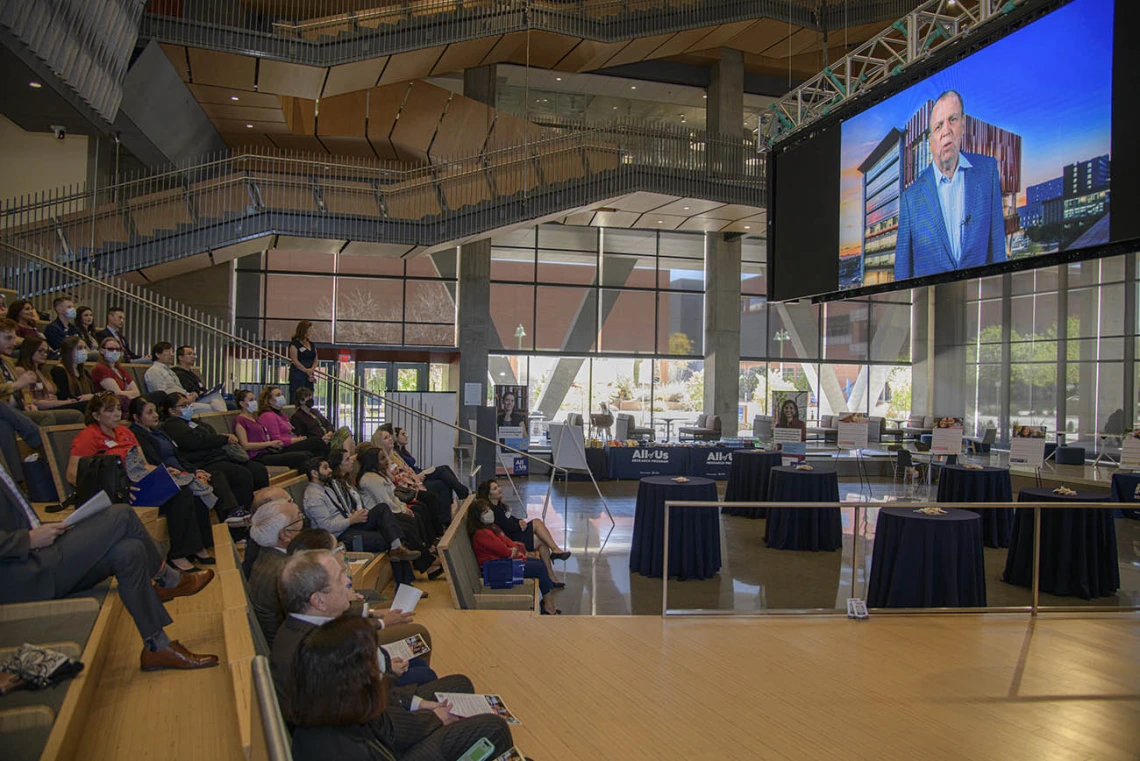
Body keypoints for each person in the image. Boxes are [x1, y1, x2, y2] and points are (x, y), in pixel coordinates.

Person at [0, 459, 219, 671]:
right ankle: (168, 578)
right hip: (24, 574)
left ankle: (156, 646)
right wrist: (28, 539)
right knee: (122, 515)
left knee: (128, 550)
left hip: (38, 555)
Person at [272, 551, 472, 732]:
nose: (347, 582)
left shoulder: (302, 628)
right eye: (339, 579)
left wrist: (418, 703)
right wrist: (433, 718)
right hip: (377, 738)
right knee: (487, 726)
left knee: (460, 685)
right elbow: (376, 722)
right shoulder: (321, 650)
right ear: (318, 600)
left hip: (381, 712)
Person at [288, 615, 514, 761]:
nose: (379, 671)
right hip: (398, 751)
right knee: (494, 727)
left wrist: (425, 709)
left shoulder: (330, 700)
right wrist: (435, 719)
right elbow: (389, 729)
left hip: (390, 740)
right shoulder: (345, 742)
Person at [67, 393, 212, 573]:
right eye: (110, 411)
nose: (116, 414)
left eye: (118, 409)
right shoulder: (88, 436)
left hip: (139, 483)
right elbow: (73, 476)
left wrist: (163, 472)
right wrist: (116, 489)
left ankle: (193, 548)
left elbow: (144, 465)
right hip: (117, 492)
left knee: (187, 487)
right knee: (178, 497)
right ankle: (178, 555)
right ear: (96, 415)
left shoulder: (125, 432)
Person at [894, 90, 1006, 281]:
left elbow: (998, 253)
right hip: (930, 307)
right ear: (930, 141)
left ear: (963, 125)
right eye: (938, 126)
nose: (946, 130)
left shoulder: (987, 172)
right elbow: (902, 273)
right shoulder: (910, 198)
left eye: (952, 120)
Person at [129, 396, 240, 550]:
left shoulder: (158, 432)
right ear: (136, 417)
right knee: (192, 490)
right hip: (166, 475)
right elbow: (156, 462)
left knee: (210, 478)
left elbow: (178, 456)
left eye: (155, 411)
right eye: (149, 412)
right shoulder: (139, 435)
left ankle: (212, 538)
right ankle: (194, 547)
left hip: (181, 470)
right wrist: (186, 473)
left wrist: (194, 470)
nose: (155, 415)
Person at [301, 455, 421, 582]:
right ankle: (404, 582)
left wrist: (352, 516)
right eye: (325, 468)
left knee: (382, 509)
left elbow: (339, 511)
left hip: (348, 525)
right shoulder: (313, 497)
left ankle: (397, 549)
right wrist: (351, 520)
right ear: (314, 473)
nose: (330, 470)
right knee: (390, 537)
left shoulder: (325, 489)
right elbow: (326, 527)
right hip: (339, 536)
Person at [160, 391, 265, 518]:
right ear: (171, 410)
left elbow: (210, 434)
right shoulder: (173, 425)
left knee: (258, 469)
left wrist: (219, 438)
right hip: (202, 462)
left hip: (215, 456)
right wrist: (222, 439)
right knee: (241, 474)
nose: (189, 407)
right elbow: (196, 442)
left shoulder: (193, 422)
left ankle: (260, 508)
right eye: (183, 405)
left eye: (188, 404)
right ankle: (238, 513)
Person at [356, 446, 443, 580]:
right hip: (379, 517)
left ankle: (427, 560)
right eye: (382, 458)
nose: (387, 461)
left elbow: (393, 497)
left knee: (414, 517)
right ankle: (428, 562)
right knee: (406, 528)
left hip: (389, 512)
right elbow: (384, 502)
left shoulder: (379, 475)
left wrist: (404, 508)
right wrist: (403, 510)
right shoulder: (370, 479)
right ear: (373, 461)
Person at [468, 499, 560, 615]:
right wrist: (511, 550)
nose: (489, 513)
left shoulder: (491, 527)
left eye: (488, 510)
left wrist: (513, 549)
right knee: (539, 568)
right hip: (496, 570)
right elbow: (505, 551)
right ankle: (549, 605)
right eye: (485, 512)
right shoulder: (482, 534)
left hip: (502, 564)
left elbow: (507, 541)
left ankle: (547, 603)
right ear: (478, 517)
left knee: (538, 564)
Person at [477, 478, 569, 586]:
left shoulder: (499, 506)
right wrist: (520, 525)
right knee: (537, 523)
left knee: (541, 541)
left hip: (514, 533)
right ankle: (555, 551)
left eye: (498, 487)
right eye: (495, 488)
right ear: (488, 494)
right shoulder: (494, 511)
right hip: (512, 538)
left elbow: (511, 518)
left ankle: (551, 575)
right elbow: (509, 527)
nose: (499, 489)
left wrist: (520, 521)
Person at [248, 497, 307, 646]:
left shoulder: (266, 554)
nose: (303, 522)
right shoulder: (286, 571)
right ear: (285, 534)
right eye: (299, 517)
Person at [372, 426, 448, 527]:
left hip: (411, 483)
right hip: (403, 489)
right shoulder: (383, 461)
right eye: (386, 438)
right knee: (433, 493)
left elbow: (408, 470)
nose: (391, 438)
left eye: (390, 436)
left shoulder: (394, 454)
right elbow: (394, 479)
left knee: (443, 473)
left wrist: (417, 482)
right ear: (379, 442)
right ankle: (441, 525)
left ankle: (445, 520)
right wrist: (416, 482)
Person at [233, 389, 317, 472]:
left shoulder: (255, 419)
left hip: (269, 451)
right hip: (257, 456)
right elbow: (245, 445)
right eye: (251, 400)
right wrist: (269, 443)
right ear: (242, 403)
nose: (254, 402)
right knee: (302, 457)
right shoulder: (240, 420)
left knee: (307, 454)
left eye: (254, 399)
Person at [145, 341, 226, 414]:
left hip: (186, 399)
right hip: (177, 405)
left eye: (172, 352)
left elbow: (178, 388)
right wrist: (184, 399)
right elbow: (161, 394)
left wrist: (189, 395)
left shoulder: (170, 371)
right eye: (168, 352)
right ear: (158, 354)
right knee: (215, 408)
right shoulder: (154, 371)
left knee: (216, 396)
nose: (172, 354)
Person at [14, 336, 86, 416]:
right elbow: (30, 400)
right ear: (29, 350)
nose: (44, 354)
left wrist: (55, 400)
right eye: (40, 351)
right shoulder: (21, 370)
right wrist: (62, 402)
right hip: (40, 409)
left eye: (46, 352)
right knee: (83, 406)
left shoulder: (44, 372)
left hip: (51, 405)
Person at [393, 426, 469, 501]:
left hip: (418, 472)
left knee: (445, 468)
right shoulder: (396, 454)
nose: (406, 436)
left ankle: (460, 491)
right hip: (416, 476)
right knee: (442, 472)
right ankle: (461, 491)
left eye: (406, 434)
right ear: (396, 437)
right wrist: (416, 476)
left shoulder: (403, 452)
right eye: (403, 434)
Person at [258, 386, 328, 458]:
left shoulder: (281, 414)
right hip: (283, 447)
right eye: (278, 395)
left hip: (292, 442)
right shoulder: (268, 416)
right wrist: (297, 440)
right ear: (269, 400)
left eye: (282, 394)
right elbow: (276, 439)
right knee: (317, 441)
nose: (282, 397)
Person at [291, 386, 355, 455]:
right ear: (301, 401)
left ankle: (346, 458)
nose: (311, 399)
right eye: (308, 397)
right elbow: (303, 436)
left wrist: (330, 432)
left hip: (330, 438)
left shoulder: (315, 411)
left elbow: (328, 424)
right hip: (319, 442)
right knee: (347, 438)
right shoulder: (297, 417)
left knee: (347, 434)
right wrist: (321, 438)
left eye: (311, 396)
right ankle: (346, 458)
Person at [91, 334, 140, 417]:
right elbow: (117, 393)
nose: (115, 352)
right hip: (110, 403)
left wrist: (127, 392)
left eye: (118, 349)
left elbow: (137, 392)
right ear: (102, 351)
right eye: (110, 349)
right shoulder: (100, 368)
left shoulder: (120, 369)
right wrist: (129, 391)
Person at [50, 336, 96, 404]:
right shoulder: (59, 371)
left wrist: (92, 397)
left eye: (84, 348)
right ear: (69, 350)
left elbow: (95, 392)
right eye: (79, 348)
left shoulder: (84, 372)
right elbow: (64, 396)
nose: (84, 351)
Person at [287, 320, 318, 398]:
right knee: (297, 395)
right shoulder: (295, 344)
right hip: (298, 374)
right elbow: (295, 360)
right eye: (309, 330)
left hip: (309, 374)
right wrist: (305, 370)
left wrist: (311, 370)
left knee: (309, 394)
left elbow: (316, 359)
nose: (311, 332)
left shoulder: (312, 344)